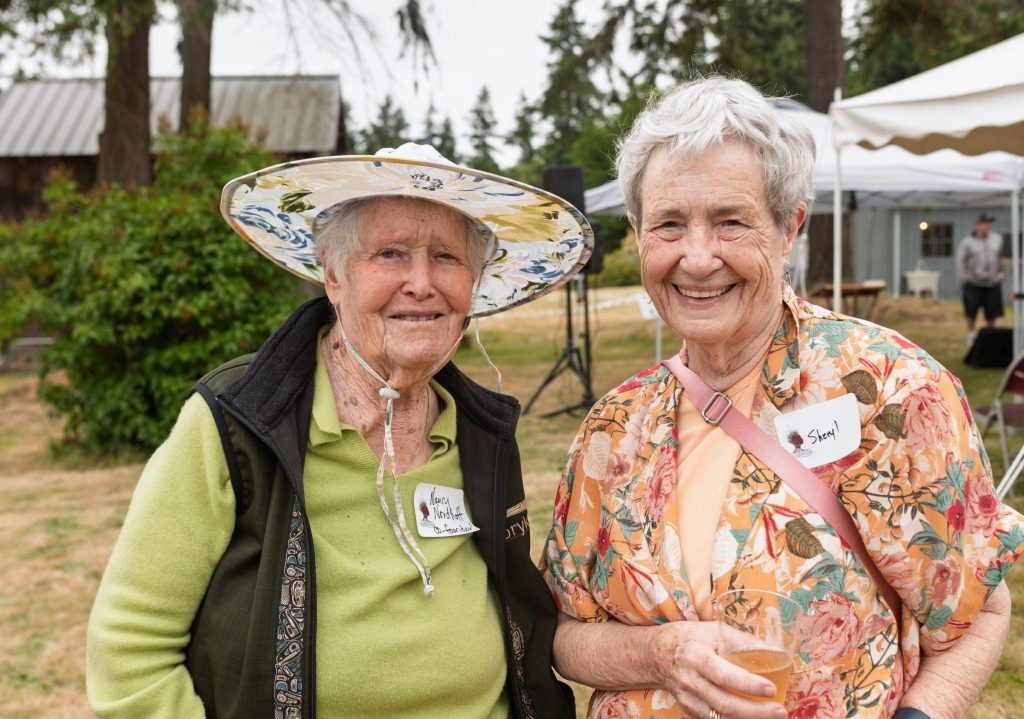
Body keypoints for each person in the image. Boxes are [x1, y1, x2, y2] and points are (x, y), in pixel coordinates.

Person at [542, 77, 1024, 719]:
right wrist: (664, 654)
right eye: (668, 225)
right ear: (638, 233)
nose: (697, 256)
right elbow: (566, 635)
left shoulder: (889, 388)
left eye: (730, 222)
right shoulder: (611, 430)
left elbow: (982, 604)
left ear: (789, 226)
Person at [86, 143, 592, 718]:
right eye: (391, 254)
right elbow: (128, 656)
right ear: (332, 276)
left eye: (447, 258)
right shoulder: (240, 419)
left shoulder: (481, 431)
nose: (422, 283)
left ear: (473, 284)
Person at [956, 212, 1005, 347]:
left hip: (992, 283)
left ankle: (991, 336)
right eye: (984, 223)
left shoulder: (997, 239)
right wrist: (964, 279)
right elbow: (961, 261)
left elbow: (1000, 258)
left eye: (989, 223)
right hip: (973, 283)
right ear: (978, 225)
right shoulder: (967, 242)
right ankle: (971, 335)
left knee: (992, 312)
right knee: (971, 311)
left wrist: (1001, 273)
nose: (987, 225)